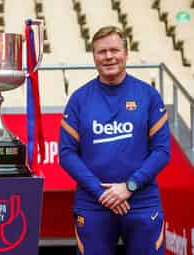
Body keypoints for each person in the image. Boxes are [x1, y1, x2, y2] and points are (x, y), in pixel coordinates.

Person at [59, 26, 170, 255]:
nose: (109, 57)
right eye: (102, 52)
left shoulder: (148, 95)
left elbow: (161, 151)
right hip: (93, 204)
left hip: (142, 203)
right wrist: (101, 193)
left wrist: (129, 186)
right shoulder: (79, 99)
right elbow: (67, 154)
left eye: (114, 50)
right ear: (94, 56)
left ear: (126, 53)